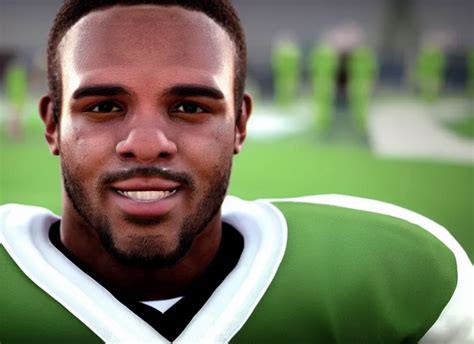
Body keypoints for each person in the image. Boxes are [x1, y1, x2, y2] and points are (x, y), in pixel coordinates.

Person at [0, 1, 472, 342]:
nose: (145, 144)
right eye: (104, 106)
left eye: (189, 106)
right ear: (52, 124)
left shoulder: (403, 276)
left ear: (241, 123)